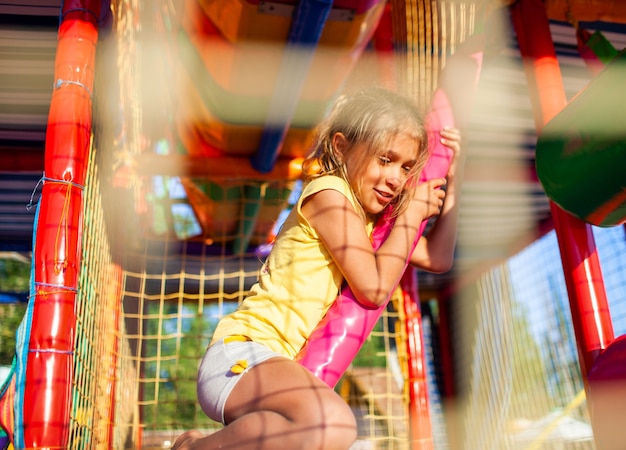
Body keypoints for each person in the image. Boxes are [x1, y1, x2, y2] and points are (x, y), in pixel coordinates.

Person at [172, 86, 464, 450]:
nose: (396, 178)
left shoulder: (368, 226)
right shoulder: (329, 195)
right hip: (243, 354)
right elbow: (373, 290)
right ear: (341, 147)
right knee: (334, 423)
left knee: (319, 433)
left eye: (407, 167)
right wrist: (414, 214)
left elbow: (438, 258)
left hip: (274, 370)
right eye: (385, 159)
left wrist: (453, 188)